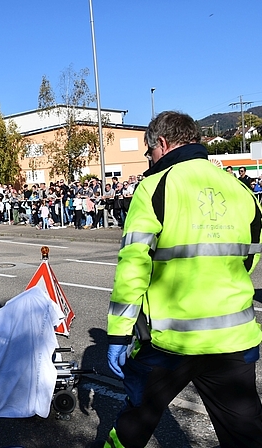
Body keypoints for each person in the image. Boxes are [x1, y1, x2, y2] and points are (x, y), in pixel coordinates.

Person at [105, 111, 262, 448]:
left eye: (149, 152)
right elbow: (250, 257)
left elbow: (133, 265)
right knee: (246, 434)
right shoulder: (240, 190)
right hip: (232, 340)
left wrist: (119, 332)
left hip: (168, 342)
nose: (150, 159)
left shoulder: (153, 187)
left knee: (134, 424)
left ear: (162, 143)